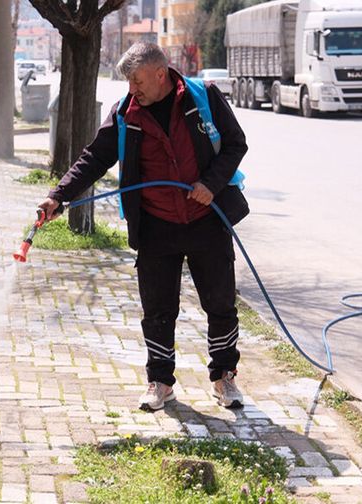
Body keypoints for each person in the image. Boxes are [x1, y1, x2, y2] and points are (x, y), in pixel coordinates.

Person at [37, 43, 250, 411]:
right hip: (156, 225)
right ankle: (160, 382)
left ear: (160, 73)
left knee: (220, 303)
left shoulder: (204, 97)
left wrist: (211, 185)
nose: (132, 89)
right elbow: (94, 158)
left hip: (206, 220)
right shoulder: (126, 112)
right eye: (128, 83)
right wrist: (59, 196)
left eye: (137, 81)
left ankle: (224, 377)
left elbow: (235, 144)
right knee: (157, 310)